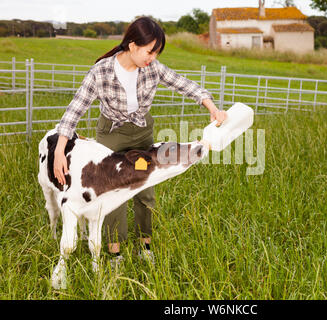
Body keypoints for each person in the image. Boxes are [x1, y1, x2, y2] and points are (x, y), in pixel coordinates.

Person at [53, 16, 227, 266]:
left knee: (145, 191)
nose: (153, 57)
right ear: (132, 45)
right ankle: (115, 253)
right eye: (150, 51)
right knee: (113, 194)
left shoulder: (152, 68)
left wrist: (211, 107)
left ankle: (145, 246)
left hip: (142, 133)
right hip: (111, 135)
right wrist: (60, 151)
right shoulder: (101, 71)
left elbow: (184, 85)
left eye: (157, 52)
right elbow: (74, 111)